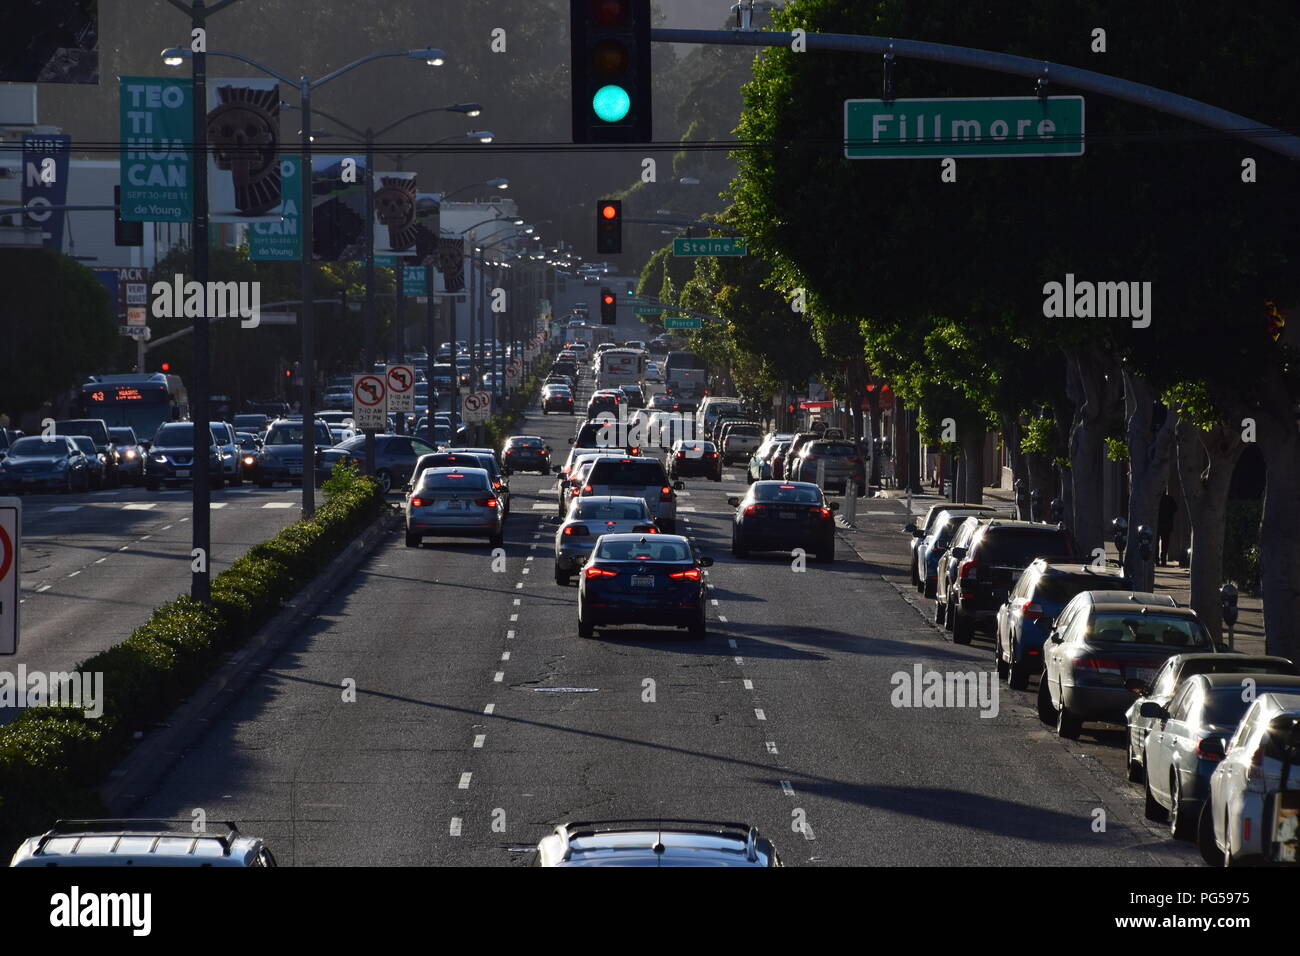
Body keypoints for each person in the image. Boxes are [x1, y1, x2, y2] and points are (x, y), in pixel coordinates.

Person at [1157, 491, 1178, 566]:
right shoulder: (1169, 499)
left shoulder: (1157, 498)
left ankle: (1156, 560)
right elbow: (1175, 508)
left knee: (1156, 543)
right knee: (1165, 544)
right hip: (1166, 524)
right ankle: (1163, 560)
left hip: (1158, 524)